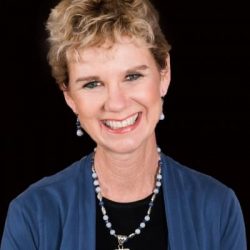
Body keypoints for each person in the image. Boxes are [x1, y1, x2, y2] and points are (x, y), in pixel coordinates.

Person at [0, 0, 247, 249]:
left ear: (164, 74)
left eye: (132, 76)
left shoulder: (217, 207)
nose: (116, 104)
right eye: (92, 84)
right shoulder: (31, 214)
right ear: (69, 96)